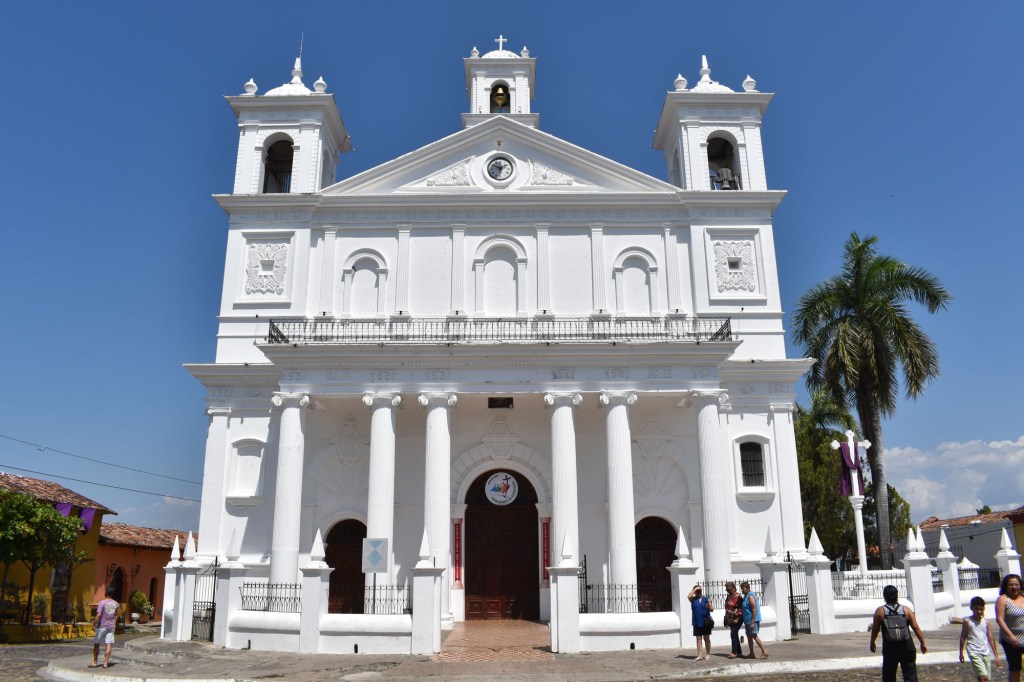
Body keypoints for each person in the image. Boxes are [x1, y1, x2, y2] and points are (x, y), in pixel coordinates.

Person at [870, 584, 927, 682]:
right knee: (910, 675)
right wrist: (923, 642)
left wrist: (872, 642)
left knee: (889, 675)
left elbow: (875, 629)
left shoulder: (880, 611)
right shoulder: (906, 610)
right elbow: (916, 627)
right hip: (907, 646)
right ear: (897, 596)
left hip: (890, 647)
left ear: (884, 596)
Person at [960, 595, 1000, 682]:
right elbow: (963, 637)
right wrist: (961, 653)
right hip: (973, 651)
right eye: (976, 609)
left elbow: (991, 639)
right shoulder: (967, 621)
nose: (979, 611)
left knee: (985, 678)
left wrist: (996, 655)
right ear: (971, 608)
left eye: (981, 609)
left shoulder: (986, 622)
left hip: (985, 651)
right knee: (984, 677)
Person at [996, 573, 1024, 682]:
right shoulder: (1003, 599)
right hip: (1011, 640)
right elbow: (1000, 619)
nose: (1014, 587)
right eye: (1011, 585)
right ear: (1006, 586)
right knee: (1015, 668)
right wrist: (1011, 636)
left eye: (1016, 584)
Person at [91, 587, 119, 669]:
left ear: (105, 593)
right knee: (108, 644)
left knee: (97, 644)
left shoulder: (102, 603)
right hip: (111, 626)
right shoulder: (116, 604)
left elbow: (99, 614)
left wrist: (94, 623)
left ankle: (94, 662)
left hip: (102, 626)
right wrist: (114, 624)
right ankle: (105, 663)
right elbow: (116, 616)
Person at [740, 581, 768, 659]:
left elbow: (754, 609)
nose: (742, 590)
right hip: (747, 620)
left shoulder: (750, 596)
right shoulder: (746, 596)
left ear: (747, 588)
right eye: (741, 588)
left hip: (752, 620)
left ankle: (764, 651)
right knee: (749, 636)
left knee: (754, 635)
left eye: (743, 588)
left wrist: (752, 622)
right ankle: (751, 653)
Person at [687, 583, 714, 660]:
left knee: (706, 638)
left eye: (700, 590)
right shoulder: (693, 600)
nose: (699, 592)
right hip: (696, 621)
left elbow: (712, 609)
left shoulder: (706, 599)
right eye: (697, 591)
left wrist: (709, 607)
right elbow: (689, 596)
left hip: (705, 621)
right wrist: (695, 589)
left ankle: (708, 654)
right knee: (698, 638)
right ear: (695, 592)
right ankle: (700, 655)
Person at [723, 581, 744, 659]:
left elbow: (740, 608)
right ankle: (739, 652)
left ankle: (734, 652)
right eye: (727, 589)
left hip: (737, 618)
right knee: (734, 634)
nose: (728, 591)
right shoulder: (729, 596)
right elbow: (727, 607)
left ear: (734, 588)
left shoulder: (738, 597)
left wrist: (737, 618)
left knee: (733, 634)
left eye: (729, 589)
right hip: (731, 618)